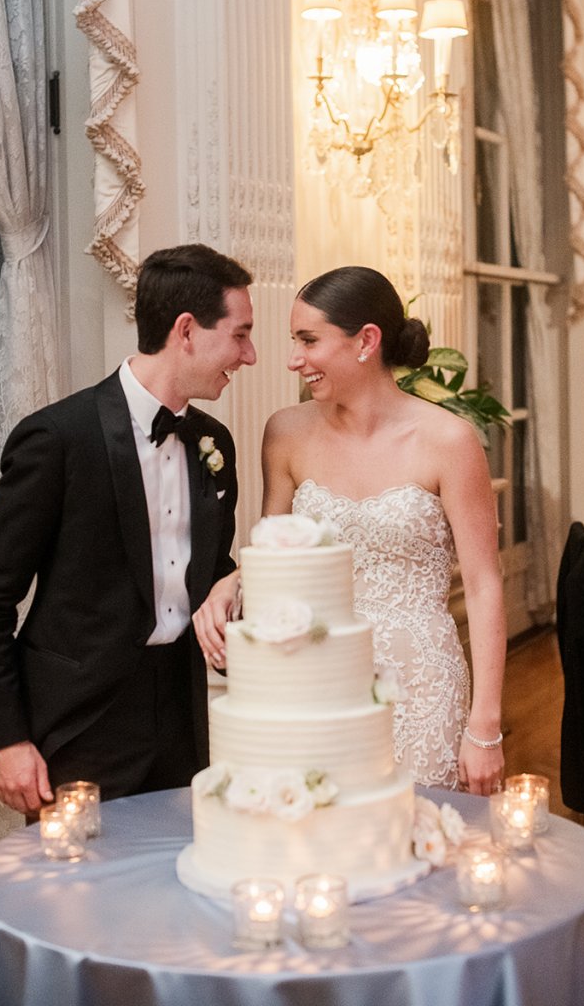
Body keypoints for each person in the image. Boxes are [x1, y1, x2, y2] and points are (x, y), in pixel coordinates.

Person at [0, 242, 257, 816]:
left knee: (177, 893)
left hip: (183, 719)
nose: (249, 355)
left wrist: (235, 586)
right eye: (240, 334)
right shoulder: (57, 439)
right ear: (187, 330)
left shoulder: (213, 443)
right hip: (81, 726)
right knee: (77, 899)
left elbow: (211, 572)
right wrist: (8, 740)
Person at [194, 265, 505, 795]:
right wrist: (231, 581)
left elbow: (483, 585)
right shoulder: (285, 433)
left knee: (416, 846)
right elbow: (272, 553)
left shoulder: (448, 441)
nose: (294, 359)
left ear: (366, 340)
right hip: (317, 681)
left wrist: (486, 728)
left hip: (421, 688)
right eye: (294, 340)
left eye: (308, 340)